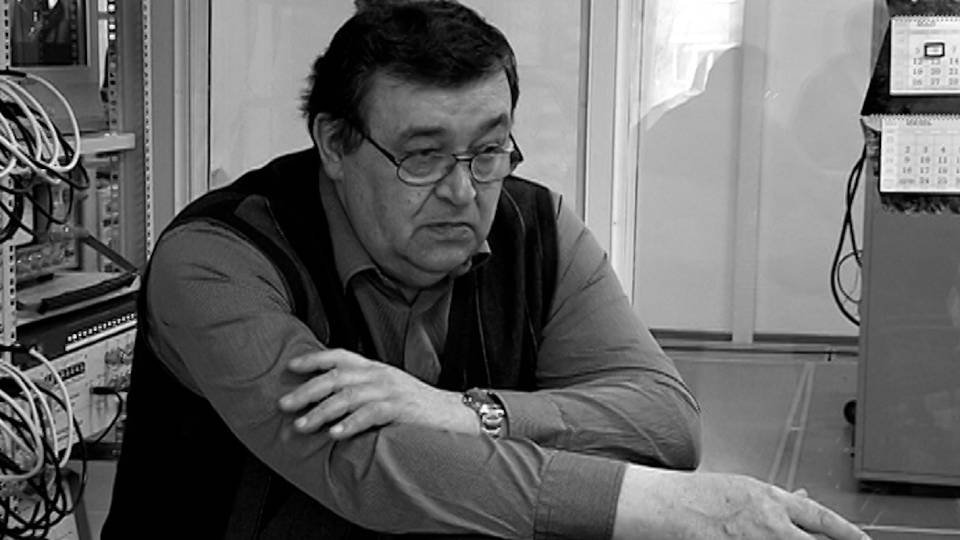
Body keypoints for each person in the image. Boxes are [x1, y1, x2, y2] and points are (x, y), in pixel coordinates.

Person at [102, 2, 870, 539]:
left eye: (490, 150)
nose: (464, 192)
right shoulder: (217, 260)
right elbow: (367, 464)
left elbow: (666, 421)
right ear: (335, 143)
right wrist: (681, 510)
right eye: (423, 155)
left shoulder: (536, 227)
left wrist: (473, 413)